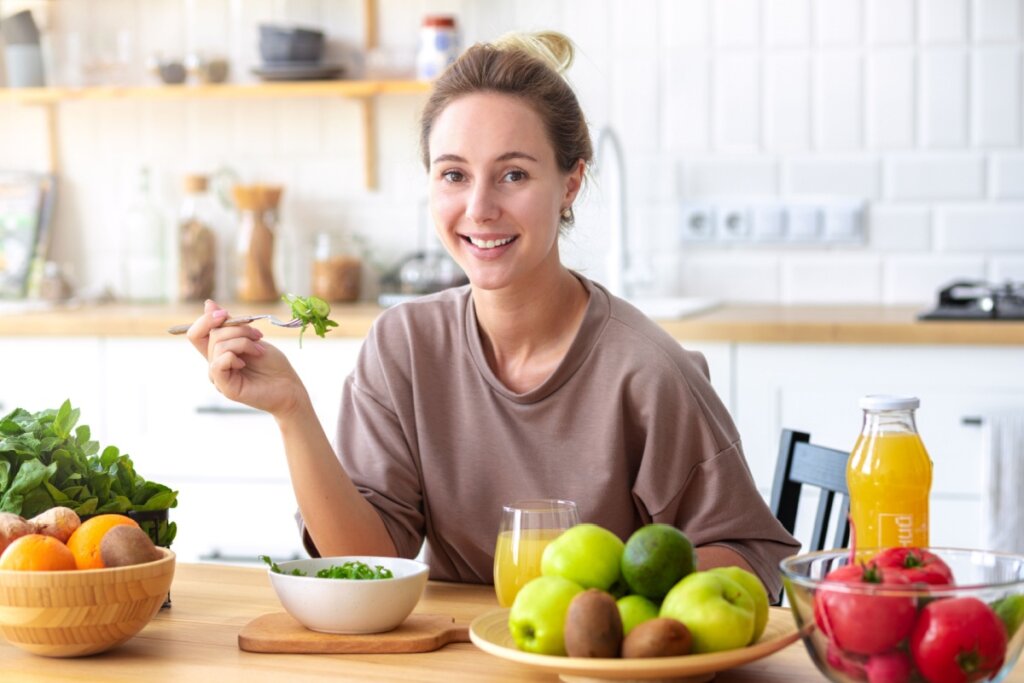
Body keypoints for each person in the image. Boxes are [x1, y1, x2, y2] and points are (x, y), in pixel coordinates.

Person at [186, 31, 799, 599]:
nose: (479, 208)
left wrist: (607, 603)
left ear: (570, 185)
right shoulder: (405, 346)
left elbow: (755, 555)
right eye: (454, 174)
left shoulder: (645, 372)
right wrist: (292, 410)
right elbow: (369, 564)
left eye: (513, 174)